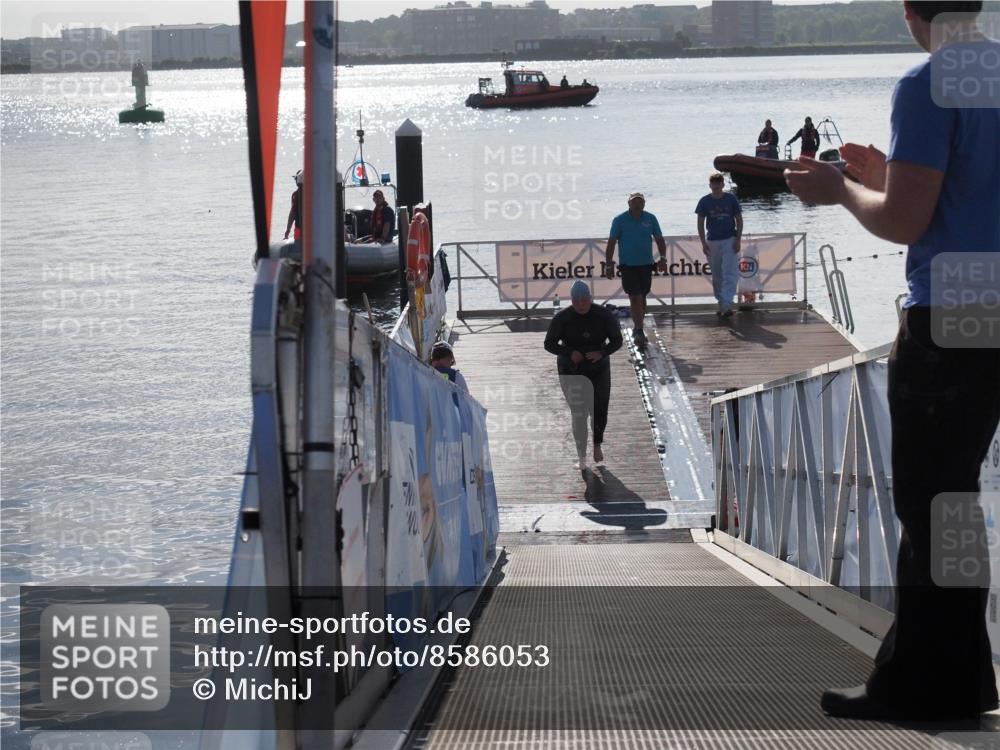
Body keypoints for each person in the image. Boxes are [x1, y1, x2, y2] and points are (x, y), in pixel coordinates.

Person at [784, 0, 1000, 722]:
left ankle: (922, 687)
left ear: (911, 10)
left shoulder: (928, 82)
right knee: (957, 504)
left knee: (933, 503)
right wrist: (889, 173)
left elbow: (906, 221)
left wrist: (840, 189)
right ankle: (965, 679)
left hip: (952, 313)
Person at [544, 281, 623, 467]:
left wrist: (601, 353)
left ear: (590, 298)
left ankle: (597, 444)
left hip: (598, 368)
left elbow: (617, 341)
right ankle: (581, 456)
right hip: (572, 369)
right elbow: (549, 343)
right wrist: (569, 353)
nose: (580, 305)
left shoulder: (603, 315)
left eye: (584, 300)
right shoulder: (563, 318)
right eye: (576, 301)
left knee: (599, 409)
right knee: (579, 413)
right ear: (571, 301)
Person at [604, 192, 668, 348]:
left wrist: (663, 258)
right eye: (634, 202)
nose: (637, 204)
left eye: (640, 202)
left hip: (646, 264)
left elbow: (659, 239)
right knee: (635, 296)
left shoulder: (651, 218)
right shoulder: (619, 220)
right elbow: (611, 242)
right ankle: (639, 329)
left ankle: (638, 326)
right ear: (629, 203)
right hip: (628, 265)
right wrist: (609, 264)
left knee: (642, 296)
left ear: (644, 204)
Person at [696, 173, 743, 318]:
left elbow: (739, 220)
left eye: (719, 183)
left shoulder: (731, 199)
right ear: (710, 185)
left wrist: (738, 240)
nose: (716, 186)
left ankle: (727, 304)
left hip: (729, 239)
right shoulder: (704, 201)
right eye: (713, 184)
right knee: (717, 275)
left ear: (723, 184)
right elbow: (700, 223)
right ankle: (721, 303)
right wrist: (703, 243)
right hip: (713, 240)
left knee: (730, 273)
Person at [283, 169, 303, 241]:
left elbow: (293, 214)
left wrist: (288, 230)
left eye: (296, 179)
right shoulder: (316, 193)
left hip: (299, 229)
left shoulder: (295, 195)